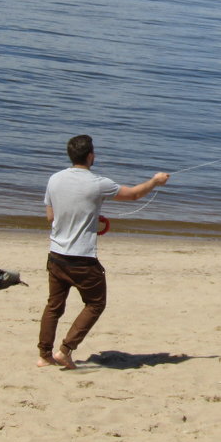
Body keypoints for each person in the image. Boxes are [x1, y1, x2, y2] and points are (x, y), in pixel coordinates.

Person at [38, 134, 169, 369]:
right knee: (96, 303)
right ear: (90, 156)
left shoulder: (54, 180)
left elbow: (51, 217)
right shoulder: (97, 183)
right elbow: (134, 194)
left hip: (56, 256)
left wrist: (87, 217)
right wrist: (155, 181)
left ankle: (44, 355)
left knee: (54, 306)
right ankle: (65, 350)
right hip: (82, 259)